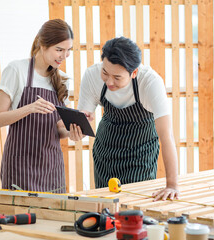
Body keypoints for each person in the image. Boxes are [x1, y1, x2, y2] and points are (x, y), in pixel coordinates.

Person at [77, 37, 179, 201]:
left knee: (137, 205)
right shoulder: (92, 74)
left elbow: (167, 136)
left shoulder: (150, 82)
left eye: (117, 77)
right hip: (106, 150)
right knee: (106, 205)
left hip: (141, 152)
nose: (109, 81)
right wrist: (79, 128)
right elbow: (83, 119)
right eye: (105, 72)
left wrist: (172, 185)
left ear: (134, 73)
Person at [0, 19, 83, 193]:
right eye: (59, 50)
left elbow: (59, 129)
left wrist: (72, 133)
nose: (64, 56)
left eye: (68, 50)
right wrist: (30, 108)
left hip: (51, 168)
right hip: (20, 168)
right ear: (43, 45)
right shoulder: (16, 70)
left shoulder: (62, 80)